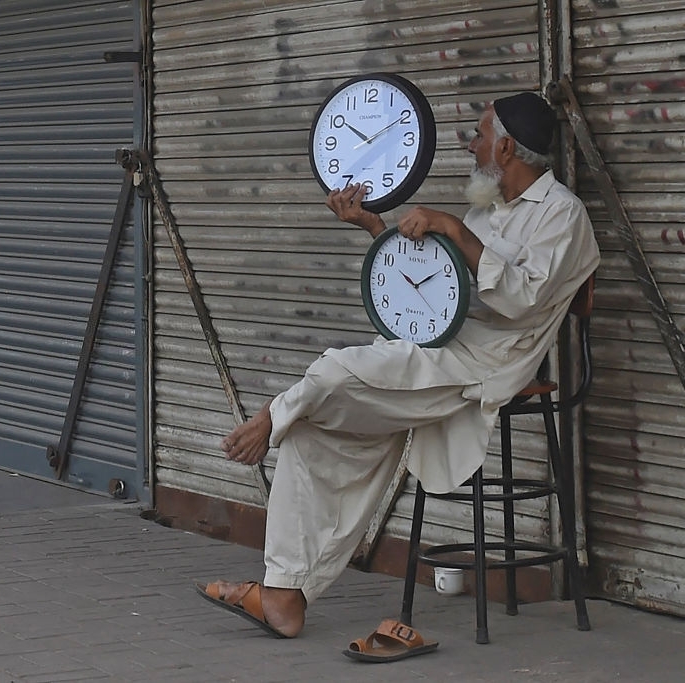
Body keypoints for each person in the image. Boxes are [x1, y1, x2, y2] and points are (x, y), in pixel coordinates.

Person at [195, 92, 601, 644]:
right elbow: (428, 285)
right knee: (308, 430)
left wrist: (454, 228)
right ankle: (284, 594)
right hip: (437, 344)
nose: (472, 146)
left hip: (486, 362)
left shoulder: (562, 215)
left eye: (480, 135)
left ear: (506, 148)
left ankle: (269, 417)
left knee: (334, 372)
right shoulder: (488, 210)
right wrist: (372, 225)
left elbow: (522, 299)